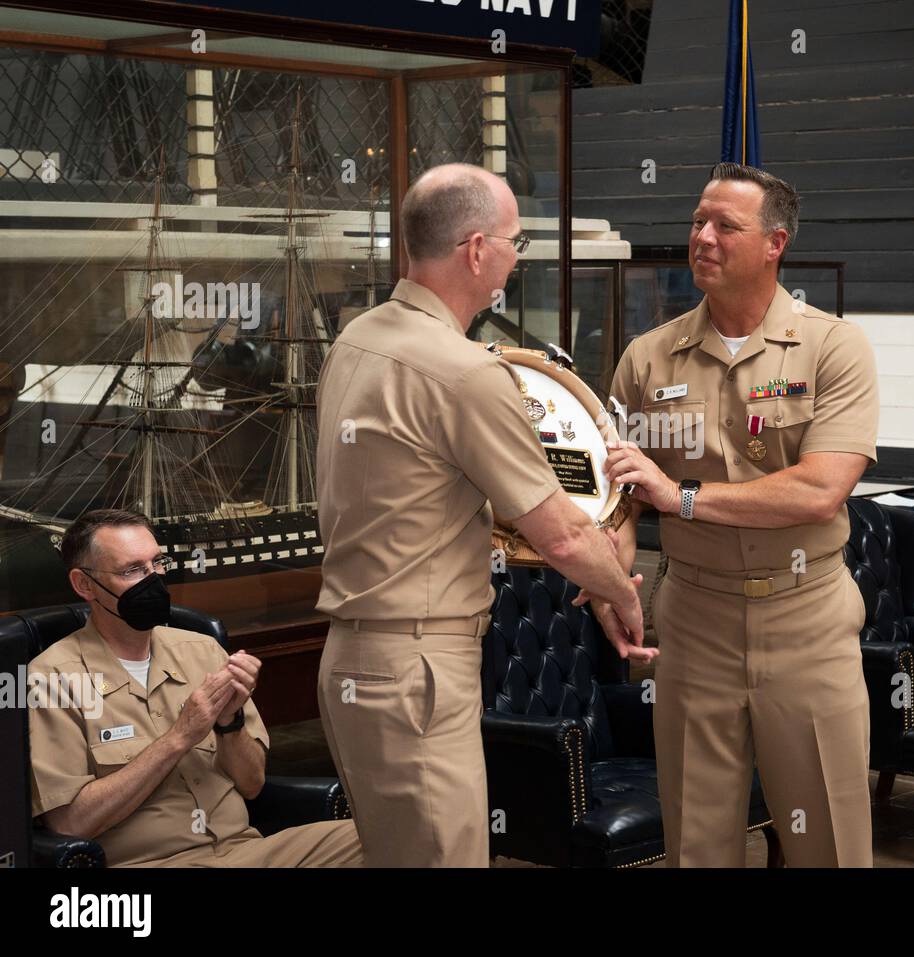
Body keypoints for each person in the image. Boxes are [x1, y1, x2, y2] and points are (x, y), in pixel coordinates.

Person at [314, 162, 653, 868]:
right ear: (475, 250)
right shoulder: (465, 371)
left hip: (352, 660)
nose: (515, 257)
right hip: (416, 671)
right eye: (513, 241)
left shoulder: (355, 341)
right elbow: (558, 530)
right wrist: (620, 589)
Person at [601, 163, 880, 867]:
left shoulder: (832, 348)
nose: (703, 236)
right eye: (698, 221)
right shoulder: (647, 357)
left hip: (806, 622)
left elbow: (820, 489)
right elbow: (619, 494)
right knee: (696, 843)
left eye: (725, 225)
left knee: (830, 844)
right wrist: (608, 565)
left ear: (774, 243)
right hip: (693, 628)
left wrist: (682, 497)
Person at [27, 508, 361, 867]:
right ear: (84, 585)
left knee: (389, 835)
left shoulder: (201, 650)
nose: (153, 579)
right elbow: (72, 823)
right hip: (154, 863)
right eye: (132, 570)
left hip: (246, 851)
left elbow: (252, 785)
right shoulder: (52, 680)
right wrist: (180, 737)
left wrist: (229, 722)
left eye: (157, 563)